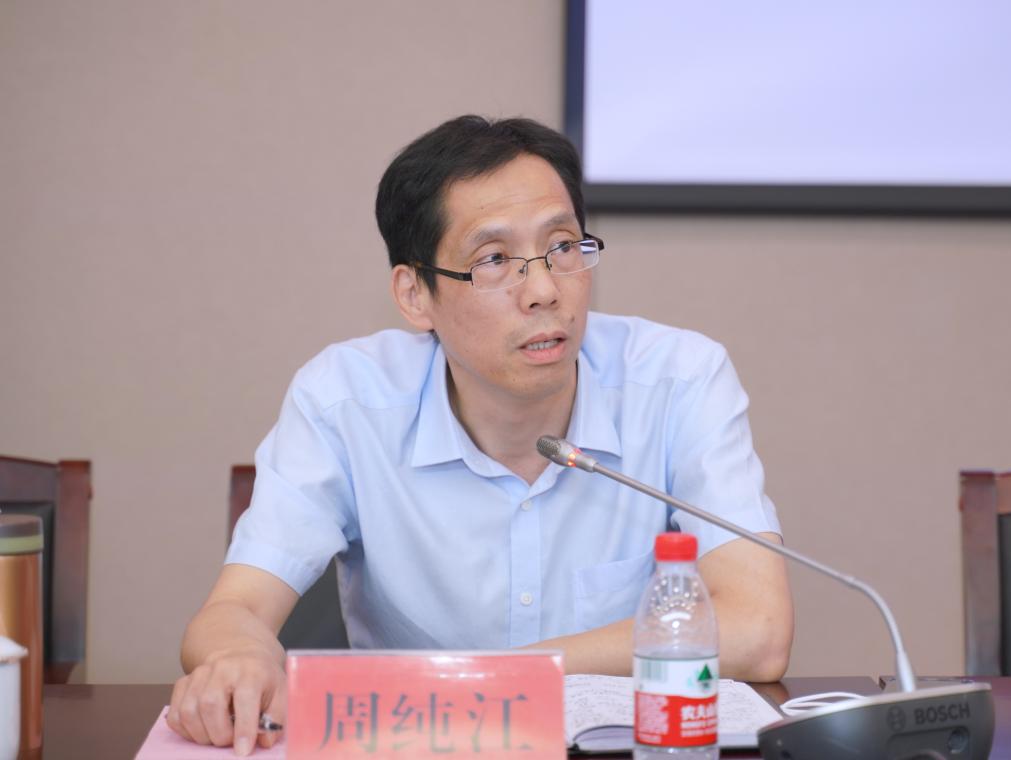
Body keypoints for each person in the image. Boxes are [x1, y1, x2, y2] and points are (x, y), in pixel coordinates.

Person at [167, 115, 794, 755]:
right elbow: (234, 612)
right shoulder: (345, 401)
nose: (544, 290)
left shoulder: (678, 380)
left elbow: (759, 627)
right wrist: (238, 658)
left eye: (563, 247)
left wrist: (497, 677)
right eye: (494, 260)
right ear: (415, 294)